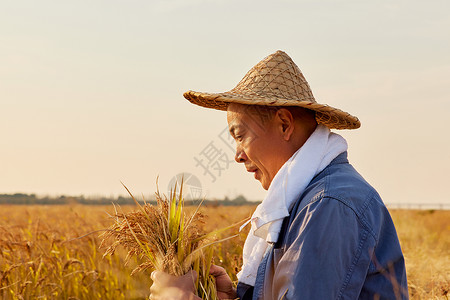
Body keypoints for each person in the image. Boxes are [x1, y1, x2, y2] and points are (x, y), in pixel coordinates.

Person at [150, 50, 408, 299]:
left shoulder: (328, 205)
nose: (238, 155)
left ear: (284, 125)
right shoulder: (304, 201)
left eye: (240, 136)